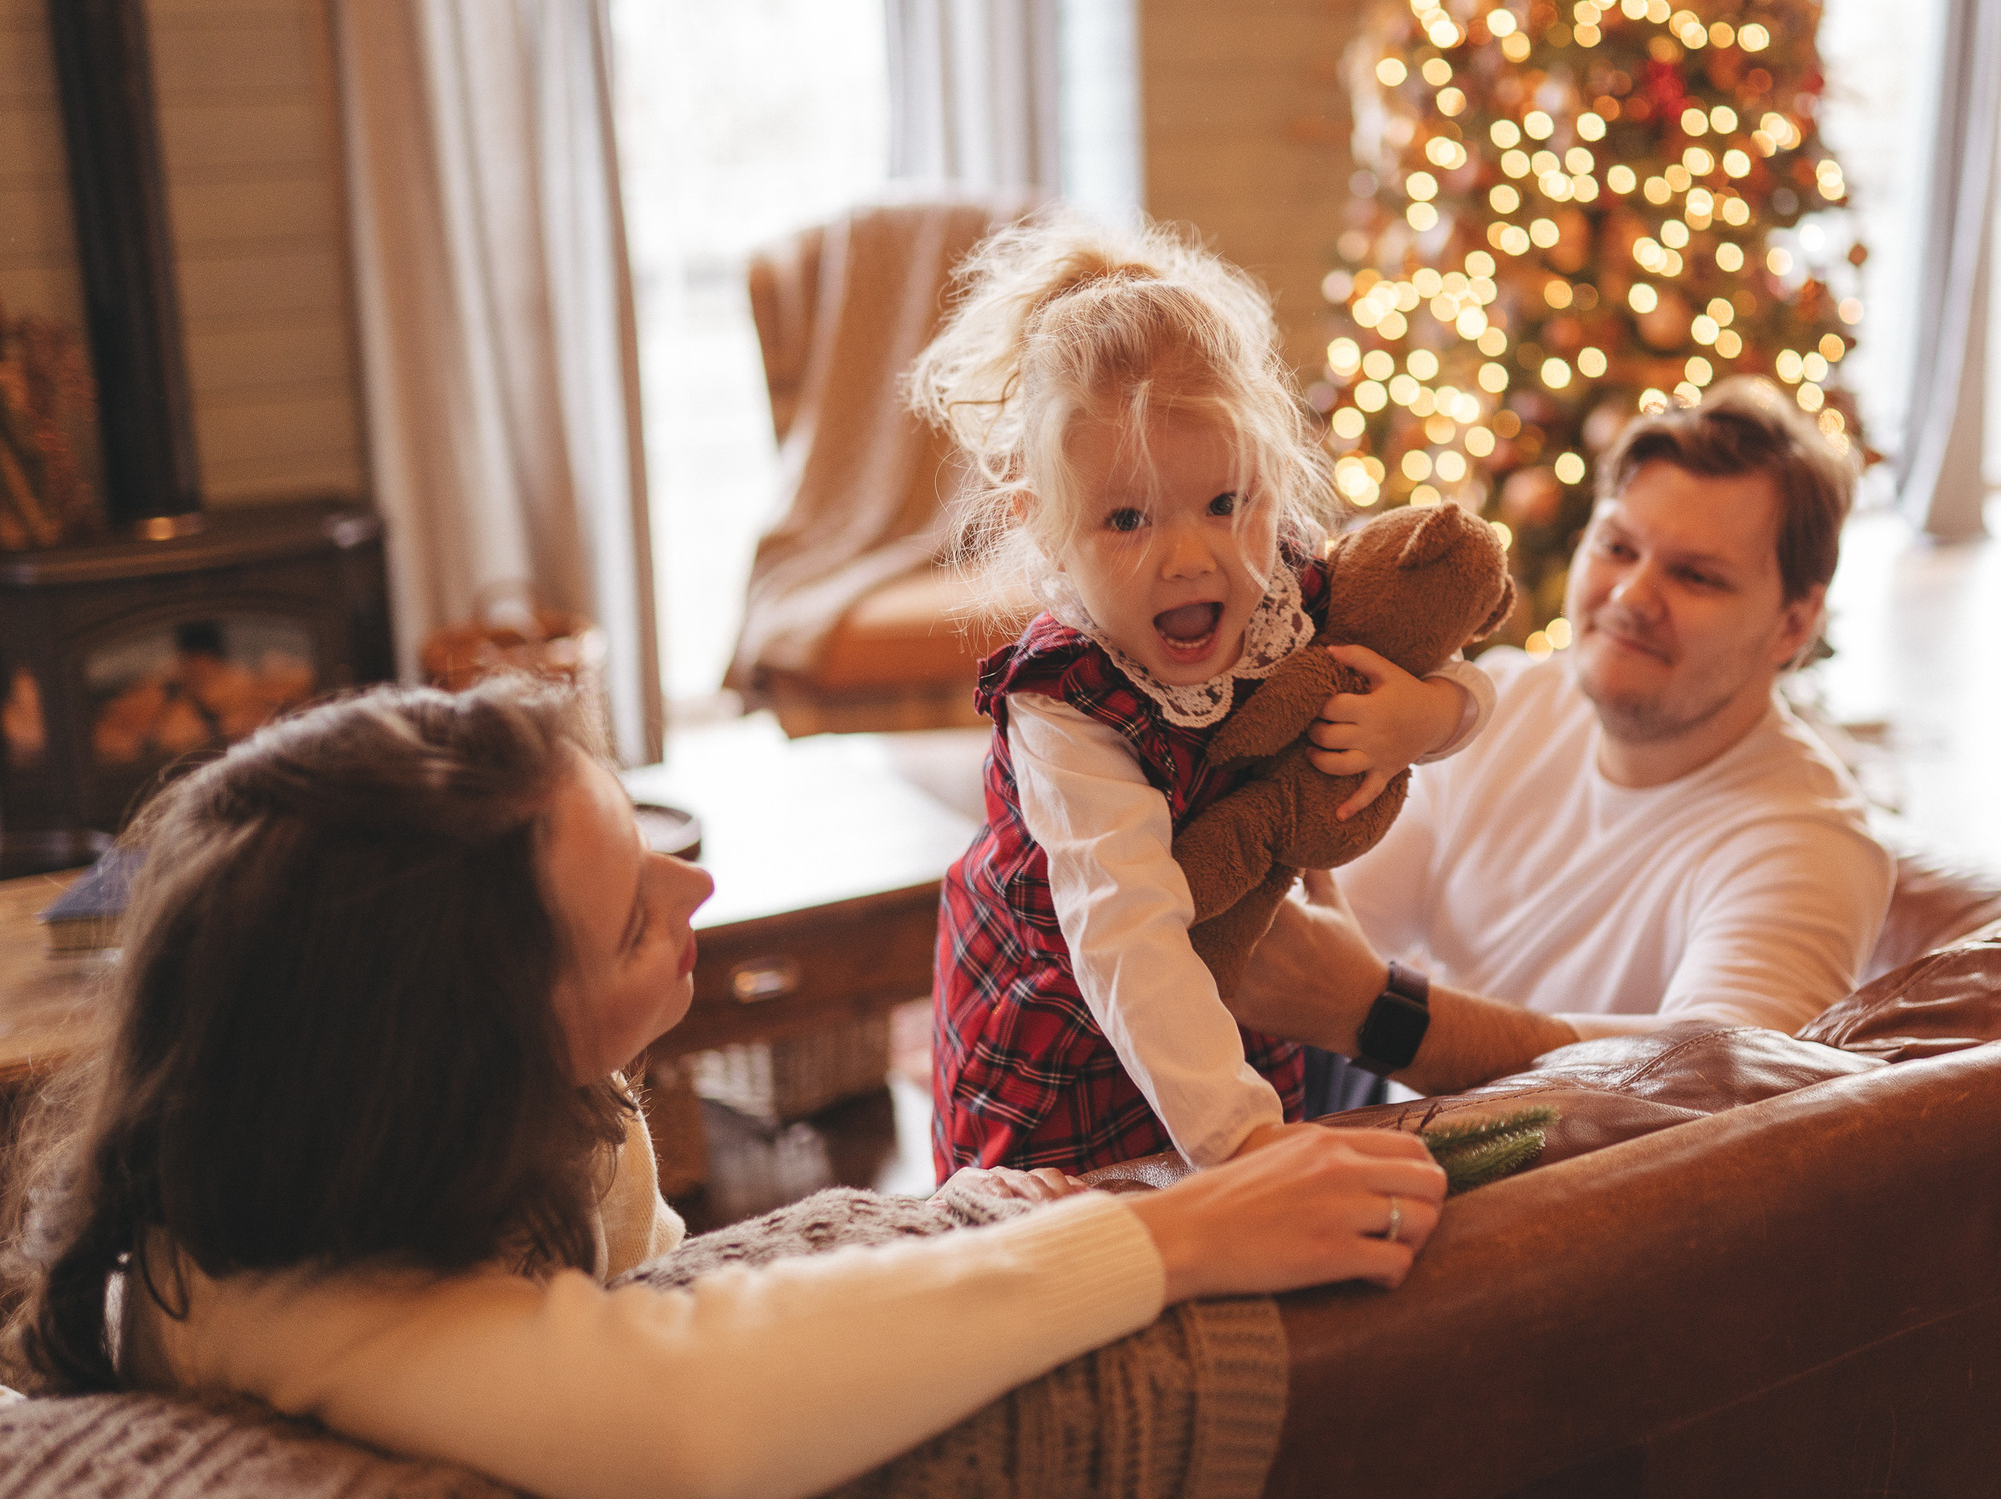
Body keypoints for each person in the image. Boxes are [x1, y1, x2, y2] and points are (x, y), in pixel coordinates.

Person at [1, 681, 1447, 1499]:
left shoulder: (519, 1120)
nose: (699, 889)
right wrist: (1181, 1236)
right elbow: (693, 1410)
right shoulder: (276, 1286)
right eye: (635, 914)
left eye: (655, 842)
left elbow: (655, 1290)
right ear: (465, 1069)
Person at [907, 213, 1495, 1176]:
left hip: (1227, 998)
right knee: (1090, 1257)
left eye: (1227, 503)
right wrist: (1251, 1150)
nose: (1190, 559)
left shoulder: (1288, 591)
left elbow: (1455, 665)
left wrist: (1431, 717)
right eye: (1127, 520)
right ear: (1046, 530)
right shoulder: (1066, 706)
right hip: (1072, 1037)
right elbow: (1126, 936)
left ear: (1273, 479)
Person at [1230, 380, 1892, 1104]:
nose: (1632, 597)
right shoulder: (1501, 705)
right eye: (1617, 546)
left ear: (1795, 626)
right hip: (1378, 1104)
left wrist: (1377, 1014)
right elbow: (1342, 927)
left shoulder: (1811, 842)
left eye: (1696, 576)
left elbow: (1717, 1089)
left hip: (1531, 1187)